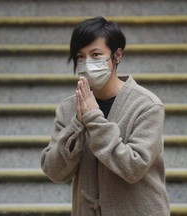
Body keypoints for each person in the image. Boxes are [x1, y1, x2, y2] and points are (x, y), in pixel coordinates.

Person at [41, 16, 170, 216]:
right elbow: (54, 171)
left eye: (96, 54)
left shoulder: (146, 105)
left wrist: (93, 119)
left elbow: (133, 167)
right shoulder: (69, 108)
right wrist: (77, 124)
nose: (87, 63)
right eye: (81, 56)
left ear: (117, 55)